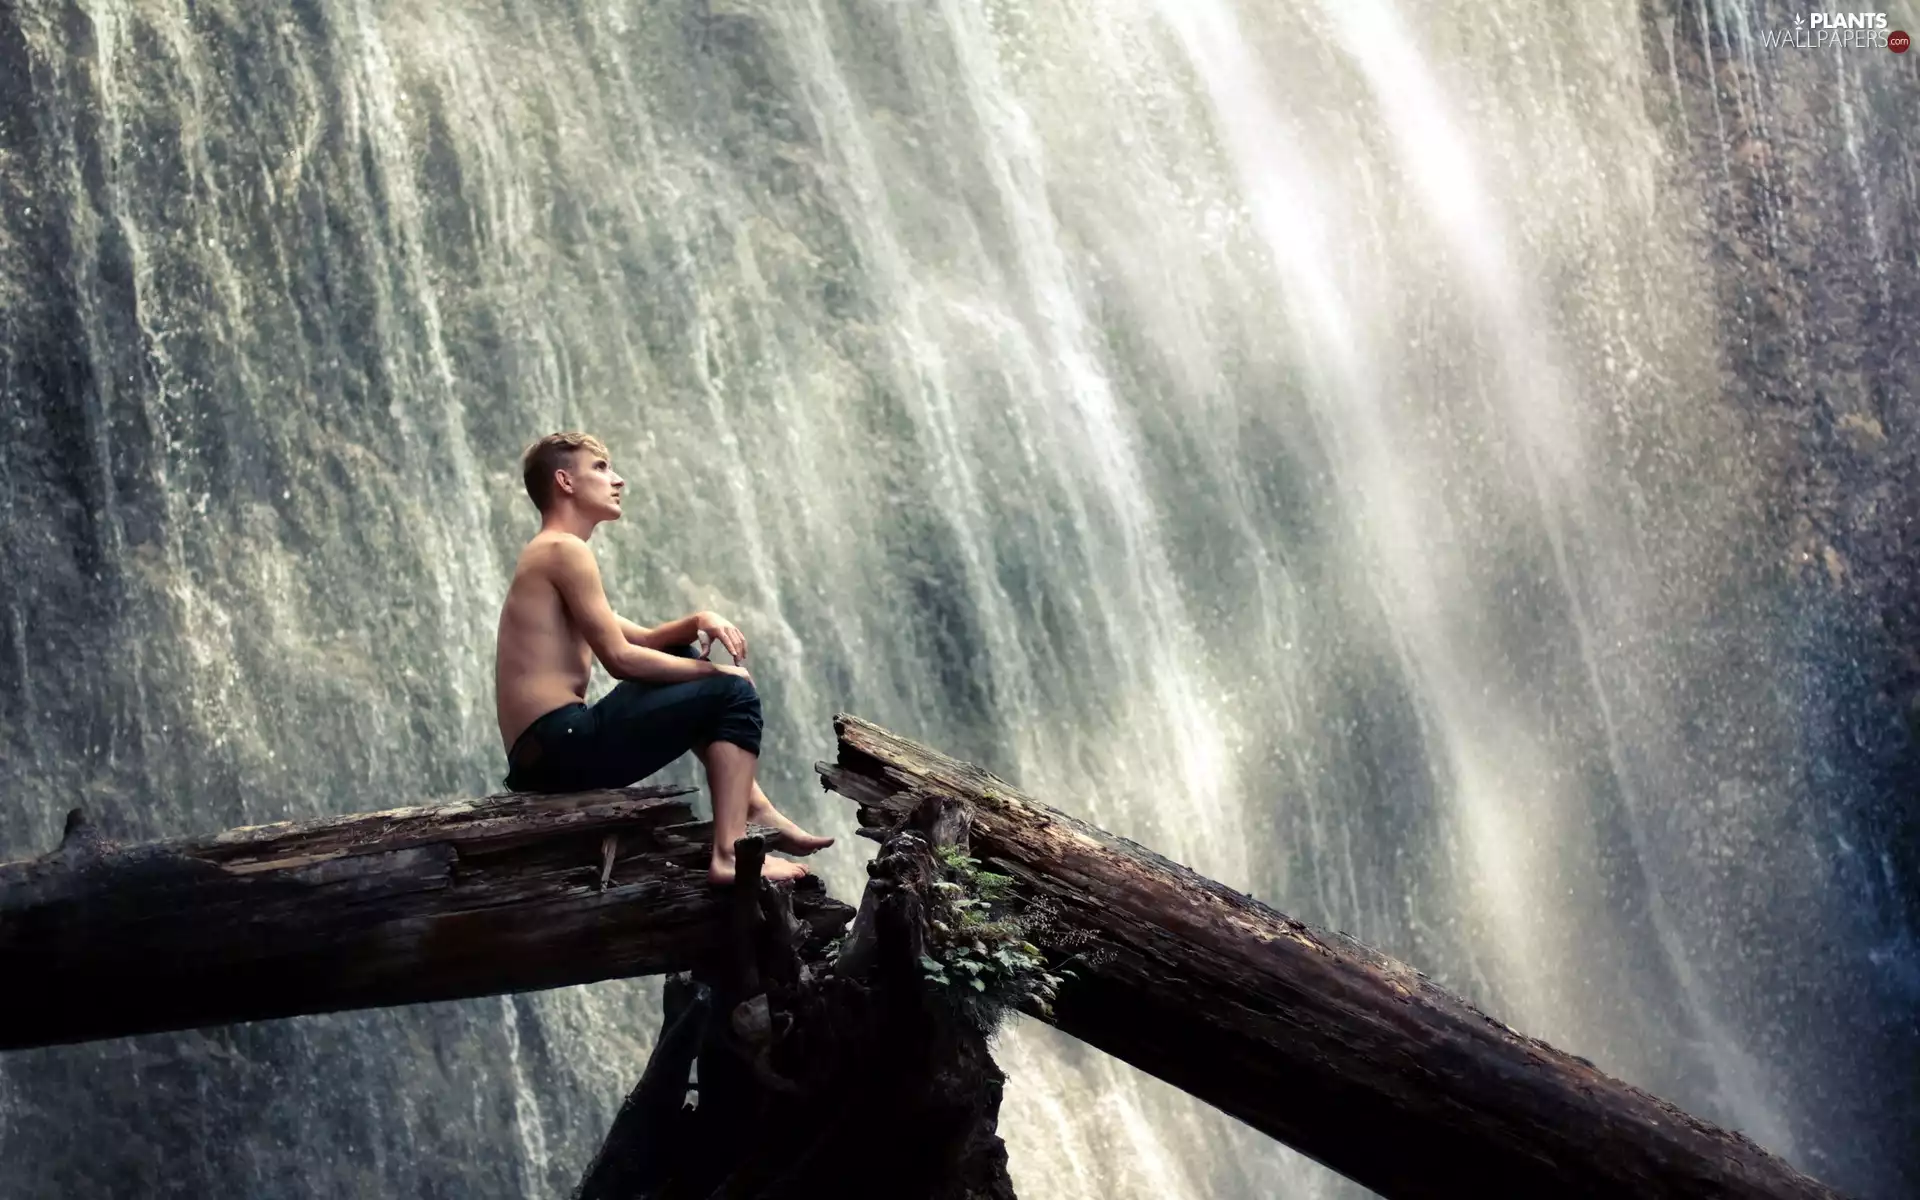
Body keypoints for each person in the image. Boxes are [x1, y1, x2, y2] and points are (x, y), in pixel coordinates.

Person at [494, 431, 832, 884]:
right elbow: (620, 660)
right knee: (733, 693)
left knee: (680, 654)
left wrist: (700, 618)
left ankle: (753, 807)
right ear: (565, 482)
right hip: (561, 746)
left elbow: (648, 640)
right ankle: (729, 855)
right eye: (600, 467)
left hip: (546, 752)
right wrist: (718, 673)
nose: (618, 480)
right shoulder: (563, 551)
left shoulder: (551, 553)